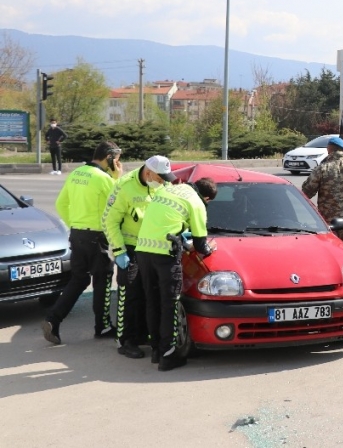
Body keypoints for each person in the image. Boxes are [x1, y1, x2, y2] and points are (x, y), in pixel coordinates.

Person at [42, 141, 123, 345]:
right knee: (103, 281)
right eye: (117, 160)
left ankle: (53, 319)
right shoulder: (103, 178)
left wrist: (75, 224)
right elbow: (118, 202)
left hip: (77, 235)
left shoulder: (77, 173)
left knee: (78, 280)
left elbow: (61, 203)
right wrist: (116, 178)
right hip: (97, 238)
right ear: (110, 158)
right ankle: (102, 326)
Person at [135, 178, 217, 371]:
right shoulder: (196, 202)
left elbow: (163, 222)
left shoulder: (166, 191)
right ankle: (168, 356)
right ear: (207, 198)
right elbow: (201, 244)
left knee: (152, 301)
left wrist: (181, 235)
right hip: (165, 255)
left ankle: (156, 351)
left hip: (143, 252)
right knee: (169, 304)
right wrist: (209, 248)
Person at [101, 155, 176, 359]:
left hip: (152, 248)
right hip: (130, 249)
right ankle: (126, 340)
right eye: (160, 178)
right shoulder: (125, 186)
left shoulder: (161, 185)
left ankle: (143, 335)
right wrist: (119, 251)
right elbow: (108, 220)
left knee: (149, 294)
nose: (163, 181)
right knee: (130, 295)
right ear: (148, 172)